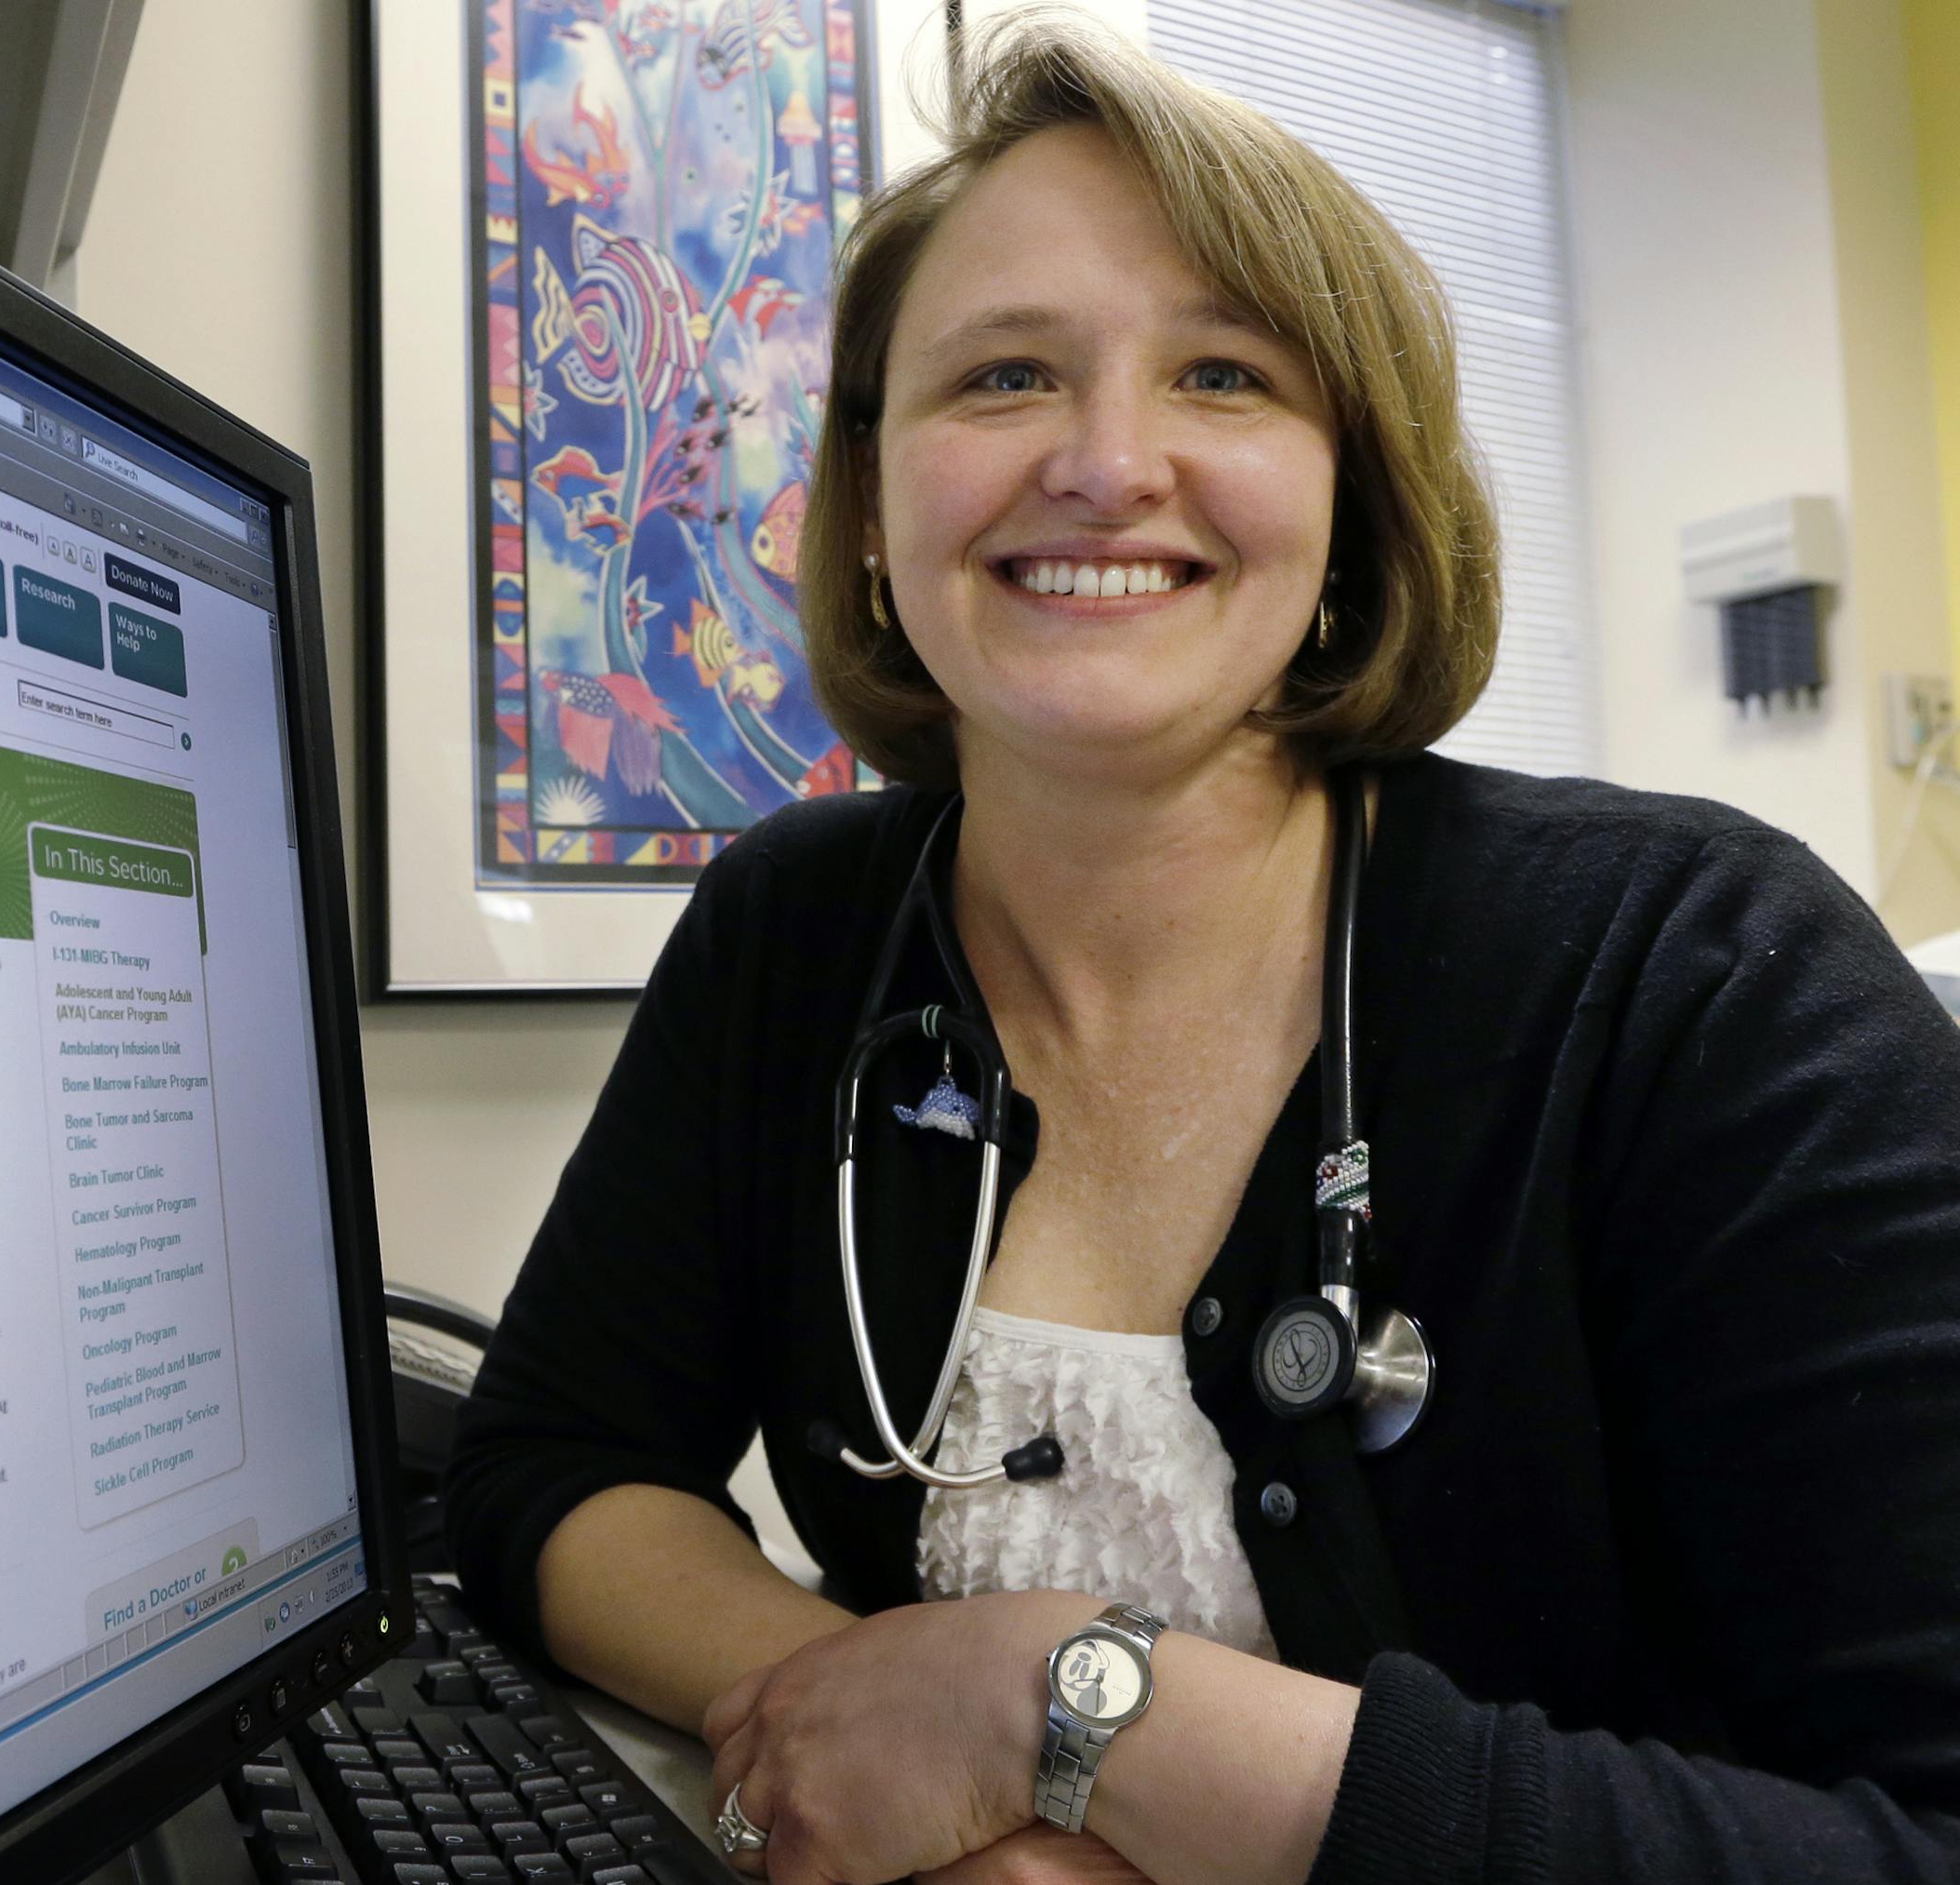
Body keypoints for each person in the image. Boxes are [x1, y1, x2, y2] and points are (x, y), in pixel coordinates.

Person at [445, 14, 1960, 1883]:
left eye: (1224, 374)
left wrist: (1071, 1718)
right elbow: (546, 1468)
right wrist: (871, 1718)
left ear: (1351, 503)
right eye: (1002, 375)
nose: (1105, 461)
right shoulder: (794, 930)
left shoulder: (1696, 976)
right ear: (870, 503)